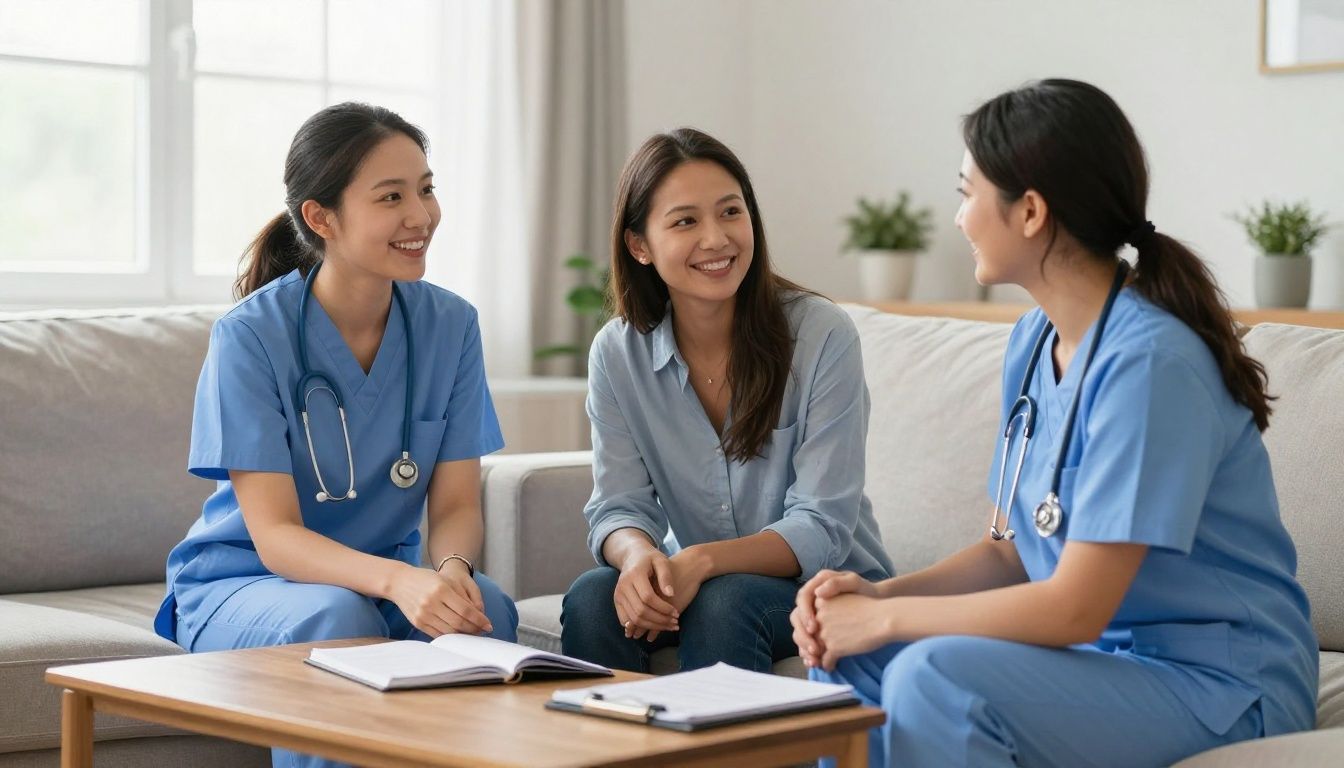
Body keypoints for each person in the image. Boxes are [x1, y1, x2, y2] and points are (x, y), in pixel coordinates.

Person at [793, 79, 1318, 767]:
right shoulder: (1034, 342)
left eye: (966, 194)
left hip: (1221, 683)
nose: (958, 219)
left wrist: (886, 617)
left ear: (1031, 211)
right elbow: (1008, 550)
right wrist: (875, 597)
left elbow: (1075, 608)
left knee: (935, 676)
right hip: (1102, 664)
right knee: (850, 663)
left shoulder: (1151, 365)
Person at [153, 103, 518, 768]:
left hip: (380, 580)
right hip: (250, 581)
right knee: (335, 619)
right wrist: (398, 584)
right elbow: (276, 537)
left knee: (485, 607)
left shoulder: (452, 326)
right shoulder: (249, 338)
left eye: (427, 189)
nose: (421, 216)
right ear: (321, 218)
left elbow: (459, 505)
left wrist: (451, 572)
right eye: (391, 197)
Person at [561, 128, 894, 674]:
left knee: (726, 601)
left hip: (823, 585)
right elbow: (618, 505)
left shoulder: (821, 335)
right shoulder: (617, 354)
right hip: (701, 578)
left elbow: (823, 524)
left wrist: (701, 561)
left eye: (731, 212)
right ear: (639, 246)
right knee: (596, 597)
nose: (716, 239)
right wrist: (638, 557)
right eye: (685, 221)